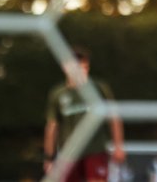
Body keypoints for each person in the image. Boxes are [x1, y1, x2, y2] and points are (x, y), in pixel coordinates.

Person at [44, 48, 126, 182]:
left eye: (86, 67)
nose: (83, 72)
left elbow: (114, 118)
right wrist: (49, 158)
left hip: (95, 150)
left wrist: (118, 146)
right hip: (69, 152)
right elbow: (52, 127)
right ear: (66, 68)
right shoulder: (58, 94)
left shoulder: (99, 88)